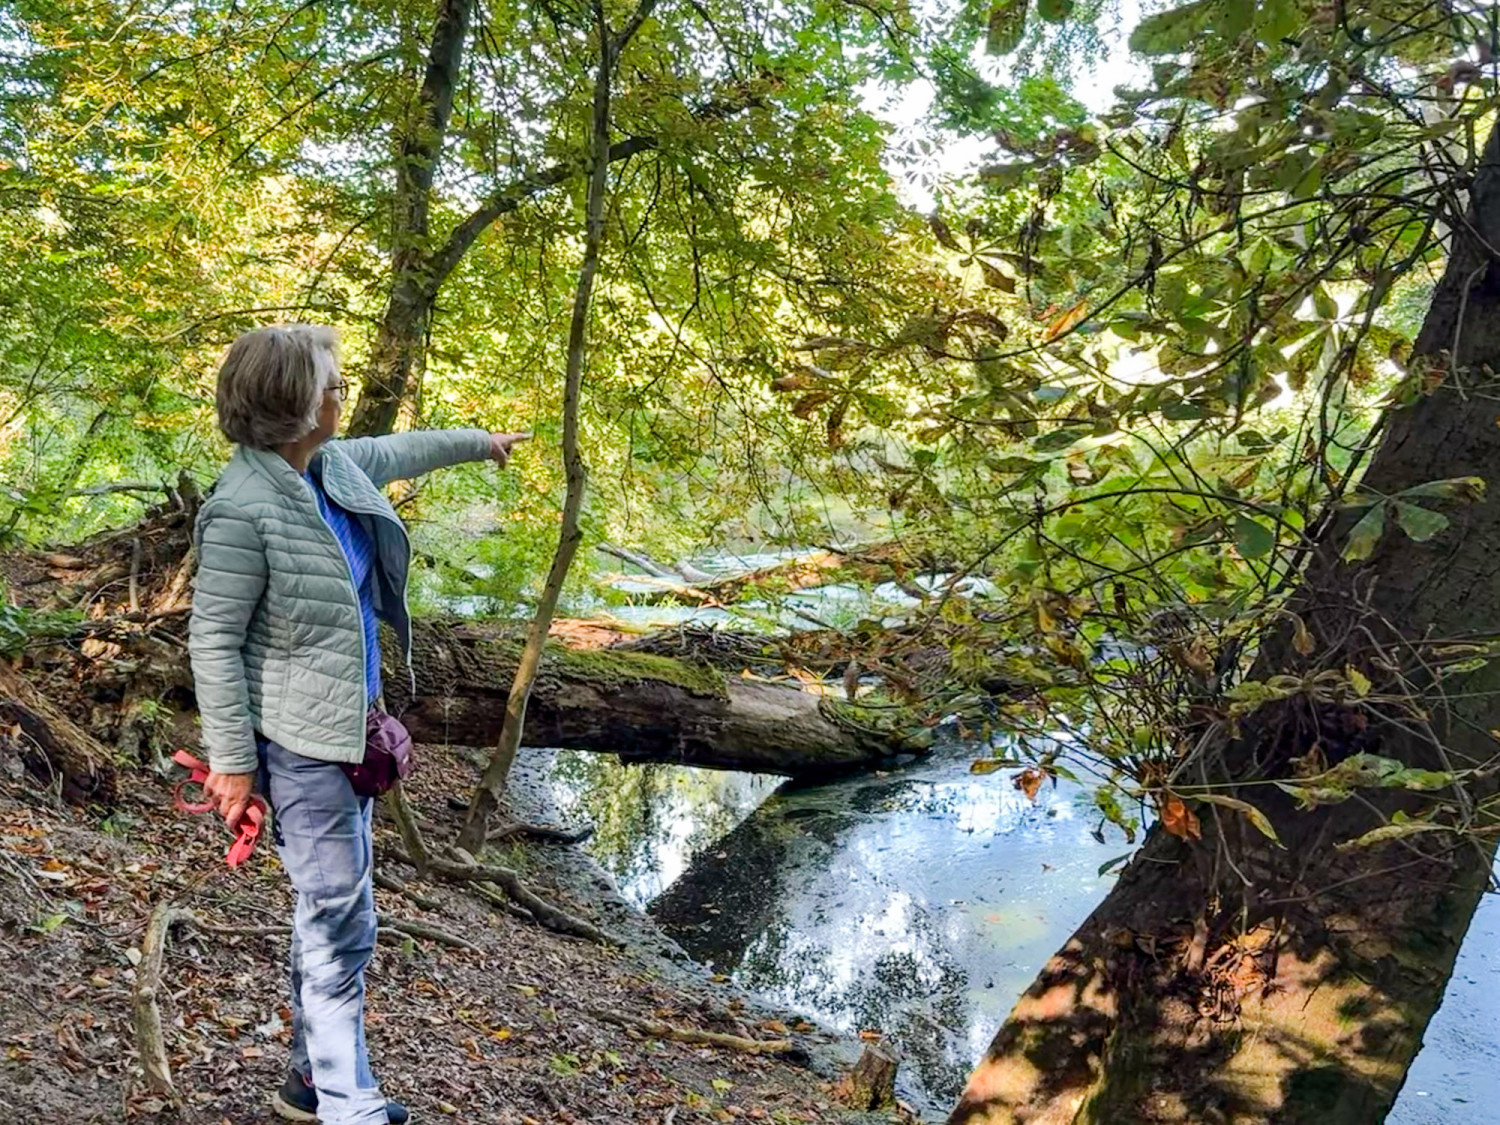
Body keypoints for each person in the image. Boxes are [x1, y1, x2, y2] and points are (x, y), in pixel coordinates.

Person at [188, 324, 529, 1123]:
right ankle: (347, 1102)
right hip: (301, 749)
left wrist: (481, 443)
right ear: (298, 404)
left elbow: (404, 449)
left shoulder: (330, 466)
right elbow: (213, 640)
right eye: (333, 385)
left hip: (350, 733)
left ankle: (310, 1083)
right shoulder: (241, 508)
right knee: (342, 921)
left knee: (326, 911)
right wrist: (232, 763)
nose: (343, 395)